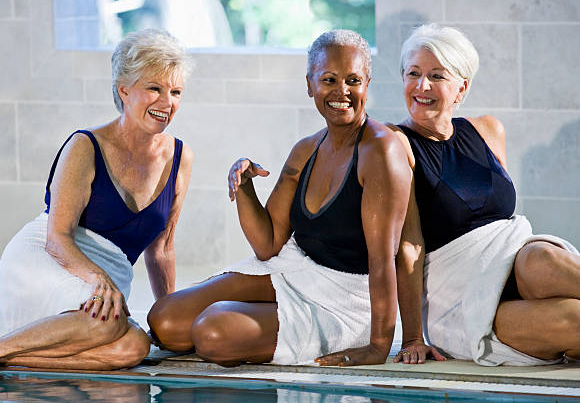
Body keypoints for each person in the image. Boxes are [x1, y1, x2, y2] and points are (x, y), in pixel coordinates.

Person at [148, 29, 412, 366]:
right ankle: (267, 320)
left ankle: (269, 327)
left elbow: (383, 260)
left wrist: (378, 346)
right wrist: (244, 187)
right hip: (295, 271)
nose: (341, 91)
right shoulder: (306, 150)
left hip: (345, 298)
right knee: (165, 320)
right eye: (329, 80)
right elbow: (269, 244)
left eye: (353, 80)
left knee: (212, 333)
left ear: (367, 84)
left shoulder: (381, 150)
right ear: (309, 84)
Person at [0, 29, 193, 373]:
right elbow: (57, 237)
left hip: (100, 277)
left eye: (175, 92)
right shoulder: (84, 146)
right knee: (109, 323)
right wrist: (96, 278)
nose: (167, 103)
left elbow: (161, 249)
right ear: (124, 89)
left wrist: (170, 318)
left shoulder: (180, 157)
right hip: (48, 260)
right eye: (154, 88)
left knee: (134, 347)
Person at [389, 24, 580, 366]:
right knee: (575, 318)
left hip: (515, 261)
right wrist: (413, 336)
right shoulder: (395, 145)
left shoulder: (488, 129)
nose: (422, 86)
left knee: (542, 260)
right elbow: (409, 246)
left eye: (437, 75)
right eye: (413, 73)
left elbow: (500, 220)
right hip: (461, 298)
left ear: (461, 88)